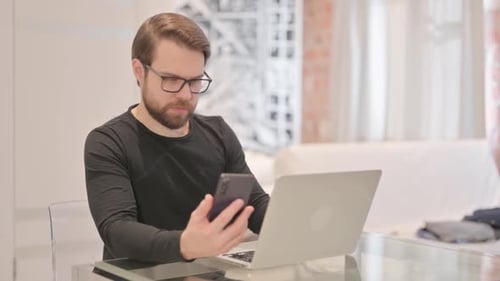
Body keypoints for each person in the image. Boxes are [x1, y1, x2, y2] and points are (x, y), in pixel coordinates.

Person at [84, 12, 270, 263]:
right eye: (171, 80)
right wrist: (185, 245)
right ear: (139, 71)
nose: (185, 94)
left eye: (194, 81)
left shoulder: (219, 134)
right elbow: (117, 230)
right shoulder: (109, 142)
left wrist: (298, 228)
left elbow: (255, 205)